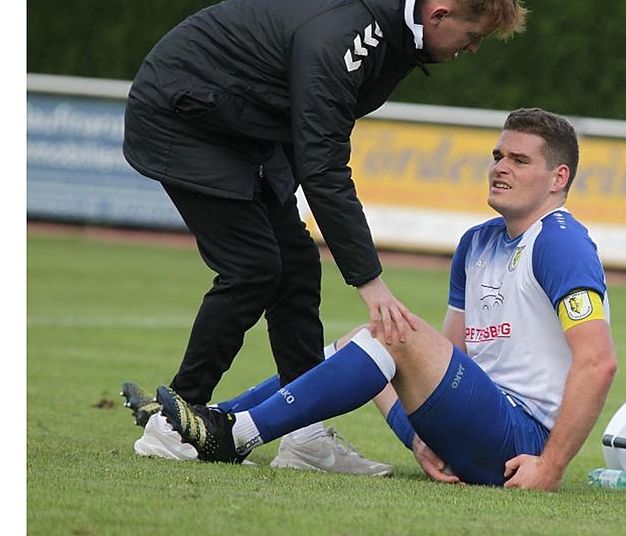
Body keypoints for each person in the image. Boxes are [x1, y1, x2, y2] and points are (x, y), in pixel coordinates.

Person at [118, 0, 527, 473]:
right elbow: (323, 164)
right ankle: (174, 425)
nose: (473, 48)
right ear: (438, 15)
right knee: (253, 267)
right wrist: (370, 282)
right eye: (473, 35)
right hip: (184, 113)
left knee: (295, 266)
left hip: (238, 124)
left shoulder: (397, 38)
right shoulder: (351, 35)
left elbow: (310, 130)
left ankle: (304, 437)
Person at [158, 108, 618, 490]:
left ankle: (235, 435)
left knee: (394, 333)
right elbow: (452, 357)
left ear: (559, 177)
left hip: (521, 442)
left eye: (519, 160)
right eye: (498, 156)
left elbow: (598, 362)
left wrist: (551, 467)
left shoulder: (561, 242)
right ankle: (205, 418)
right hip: (476, 422)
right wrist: (426, 434)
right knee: (376, 335)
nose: (499, 167)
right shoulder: (477, 242)